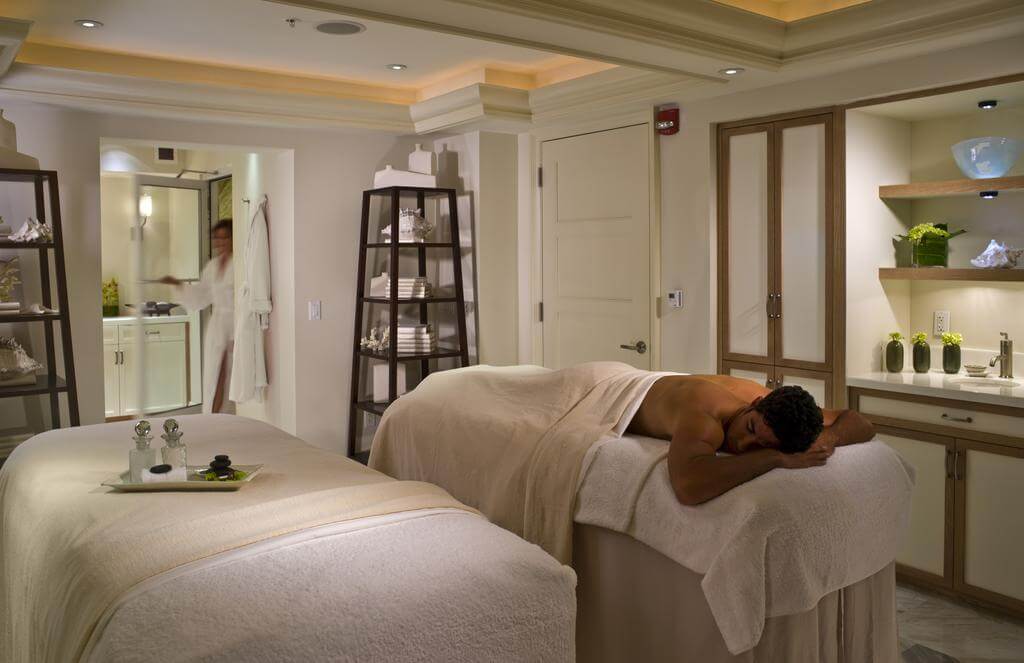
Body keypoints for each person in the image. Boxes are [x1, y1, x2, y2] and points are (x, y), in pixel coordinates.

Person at [627, 375, 875, 505]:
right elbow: (687, 486)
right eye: (750, 428)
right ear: (755, 403)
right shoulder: (706, 414)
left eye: (762, 444)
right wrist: (774, 457)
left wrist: (827, 438)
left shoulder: (781, 409)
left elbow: (862, 423)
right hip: (618, 387)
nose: (744, 444)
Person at [160, 219, 234, 414]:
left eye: (225, 237)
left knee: (230, 376)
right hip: (218, 326)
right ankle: (213, 417)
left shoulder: (240, 264)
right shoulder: (213, 266)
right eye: (217, 238)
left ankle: (227, 418)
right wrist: (177, 284)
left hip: (235, 324)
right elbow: (200, 296)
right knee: (214, 375)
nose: (220, 242)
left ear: (233, 238)